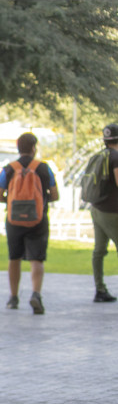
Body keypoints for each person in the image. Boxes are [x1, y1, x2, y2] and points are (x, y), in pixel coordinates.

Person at [0, 132, 59, 314]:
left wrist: (13, 202)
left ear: (18, 148)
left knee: (14, 257)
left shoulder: (9, 168)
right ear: (34, 148)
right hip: (38, 219)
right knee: (37, 258)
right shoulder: (43, 168)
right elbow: (55, 195)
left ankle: (13, 298)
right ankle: (36, 294)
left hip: (13, 220)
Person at [88, 123, 118, 303]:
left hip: (96, 208)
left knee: (99, 250)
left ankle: (99, 289)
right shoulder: (116, 158)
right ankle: (100, 289)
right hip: (113, 211)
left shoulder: (99, 155)